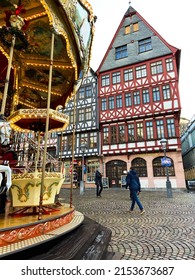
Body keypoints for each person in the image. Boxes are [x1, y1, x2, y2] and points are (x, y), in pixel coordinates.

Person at [0, 143, 18, 214]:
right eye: (2, 147)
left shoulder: (12, 153)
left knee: (3, 193)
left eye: (4, 147)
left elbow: (15, 162)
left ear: (7, 147)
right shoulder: (1, 152)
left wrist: (4, 162)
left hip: (5, 175)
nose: (2, 149)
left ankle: (1, 209)